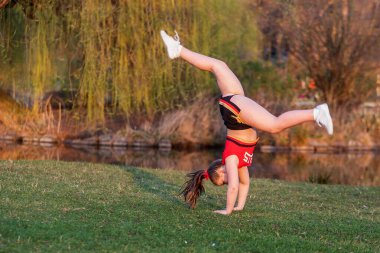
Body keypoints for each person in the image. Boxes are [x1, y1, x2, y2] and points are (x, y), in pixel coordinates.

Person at [160, 30, 333, 215]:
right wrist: (239, 207)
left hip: (236, 116)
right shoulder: (239, 164)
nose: (228, 178)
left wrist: (227, 211)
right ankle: (178, 50)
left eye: (222, 176)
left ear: (220, 166)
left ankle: (317, 113)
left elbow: (234, 187)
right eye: (224, 181)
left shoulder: (231, 159)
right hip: (235, 111)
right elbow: (244, 183)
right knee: (218, 66)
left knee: (275, 125)